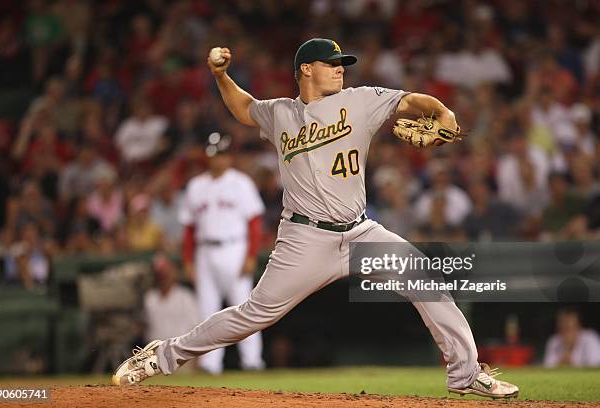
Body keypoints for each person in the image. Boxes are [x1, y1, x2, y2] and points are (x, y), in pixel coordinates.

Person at [112, 38, 519, 399]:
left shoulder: (360, 100)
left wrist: (443, 112)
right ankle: (162, 355)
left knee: (424, 279)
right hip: (304, 238)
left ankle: (466, 374)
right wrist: (221, 75)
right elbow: (243, 108)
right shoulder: (280, 113)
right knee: (253, 314)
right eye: (332, 62)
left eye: (343, 62)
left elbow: (413, 101)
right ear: (306, 69)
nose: (341, 68)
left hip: (361, 232)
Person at [179, 133, 266, 374]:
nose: (218, 159)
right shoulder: (196, 186)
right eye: (214, 154)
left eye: (223, 154)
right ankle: (210, 364)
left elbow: (255, 224)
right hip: (204, 251)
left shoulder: (241, 183)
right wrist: (187, 260)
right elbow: (189, 228)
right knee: (208, 311)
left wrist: (250, 256)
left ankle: (252, 361)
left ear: (230, 157)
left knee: (245, 309)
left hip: (234, 248)